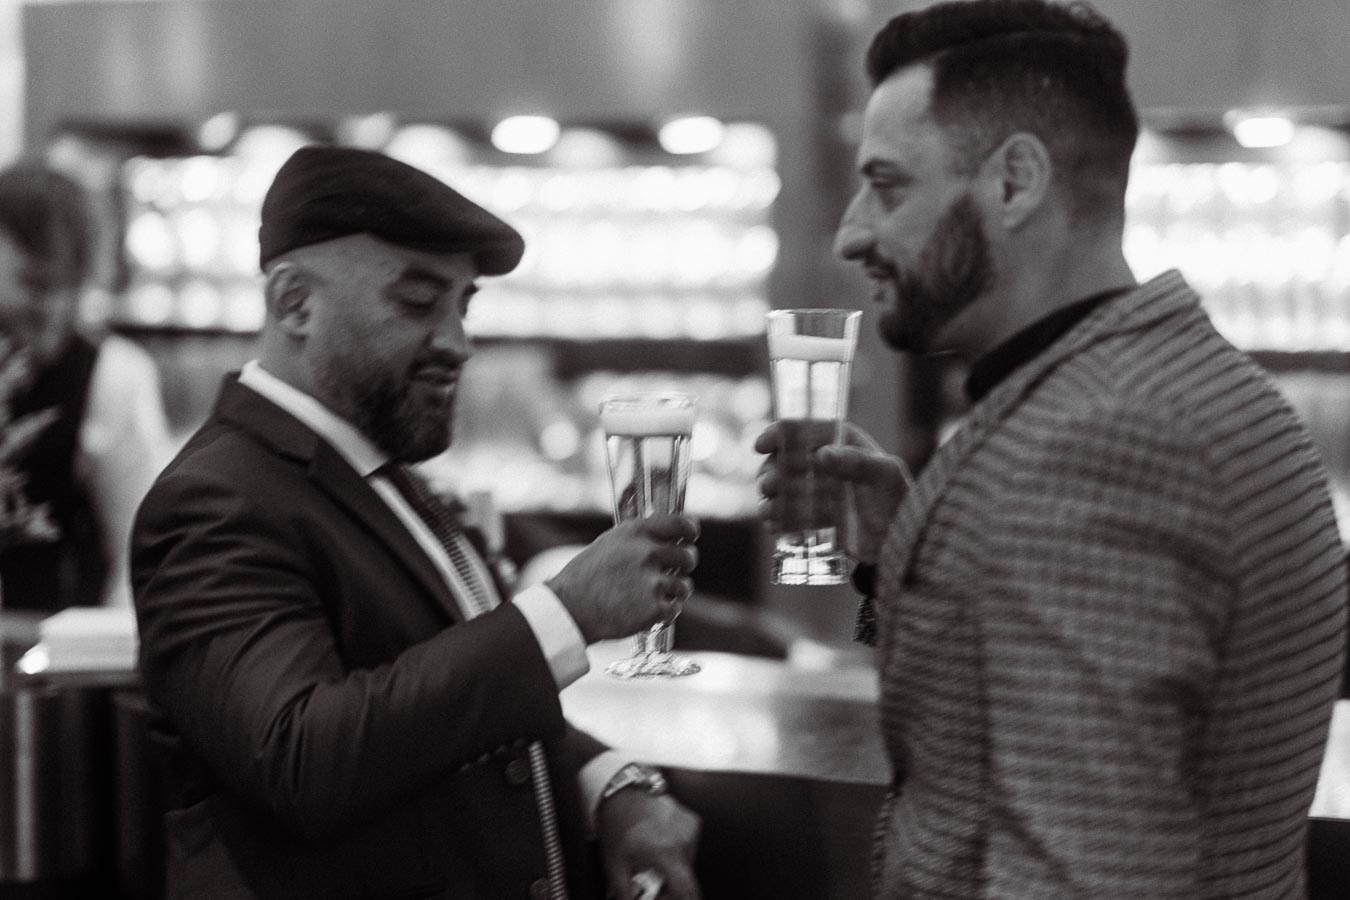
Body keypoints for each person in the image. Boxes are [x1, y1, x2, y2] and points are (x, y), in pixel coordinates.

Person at [756, 1, 1348, 896]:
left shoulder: (1092, 446)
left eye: (887, 185)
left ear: (1013, 182)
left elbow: (1085, 871)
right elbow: (990, 724)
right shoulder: (1179, 378)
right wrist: (893, 563)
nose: (850, 234)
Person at [131, 145, 702, 900]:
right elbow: (302, 756)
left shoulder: (378, 478)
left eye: (462, 305)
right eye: (417, 301)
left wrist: (608, 782)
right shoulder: (214, 502)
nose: (458, 345)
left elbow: (451, 710)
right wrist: (566, 612)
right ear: (293, 302)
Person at [0, 160, 173, 610]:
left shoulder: (113, 377)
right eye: (36, 285)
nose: (55, 311)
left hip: (57, 663)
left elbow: (142, 556)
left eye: (72, 289)